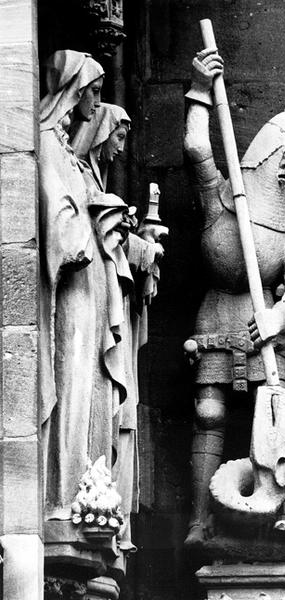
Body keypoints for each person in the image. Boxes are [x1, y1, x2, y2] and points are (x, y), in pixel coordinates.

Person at [183, 48, 285, 548]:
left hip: (265, 325)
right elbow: (197, 148)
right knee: (210, 415)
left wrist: (281, 313)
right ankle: (199, 520)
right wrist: (199, 89)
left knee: (281, 421)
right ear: (266, 151)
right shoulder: (222, 195)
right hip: (218, 312)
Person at [39, 50, 138, 551]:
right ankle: (63, 492)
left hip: (93, 285)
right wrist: (83, 231)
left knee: (91, 384)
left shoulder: (67, 150)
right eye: (92, 92)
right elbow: (59, 217)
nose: (96, 102)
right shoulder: (45, 143)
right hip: (74, 284)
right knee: (74, 380)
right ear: (74, 91)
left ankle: (86, 485)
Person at [70, 102, 165, 552]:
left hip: (113, 309)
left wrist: (142, 249)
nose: (122, 146)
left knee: (119, 408)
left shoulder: (96, 178)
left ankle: (111, 515)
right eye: (119, 135)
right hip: (89, 308)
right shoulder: (79, 176)